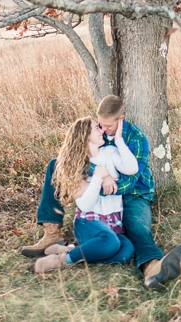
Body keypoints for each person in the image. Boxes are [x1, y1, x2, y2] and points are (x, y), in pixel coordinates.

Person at [21, 95, 181, 290]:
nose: (103, 129)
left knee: (137, 228)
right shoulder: (98, 136)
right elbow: (77, 158)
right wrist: (102, 176)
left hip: (133, 192)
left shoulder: (137, 138)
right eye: (99, 125)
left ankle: (152, 267)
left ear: (121, 120)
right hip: (101, 200)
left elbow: (129, 180)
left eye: (107, 126)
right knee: (54, 165)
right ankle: (52, 231)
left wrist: (96, 183)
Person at [33, 116, 137, 274]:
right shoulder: (76, 167)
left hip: (113, 223)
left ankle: (71, 250)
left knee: (125, 252)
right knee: (110, 243)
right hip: (88, 223)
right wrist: (97, 178)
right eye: (97, 128)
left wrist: (119, 141)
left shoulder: (110, 152)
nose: (101, 130)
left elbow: (132, 168)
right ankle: (62, 260)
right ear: (85, 136)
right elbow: (85, 205)